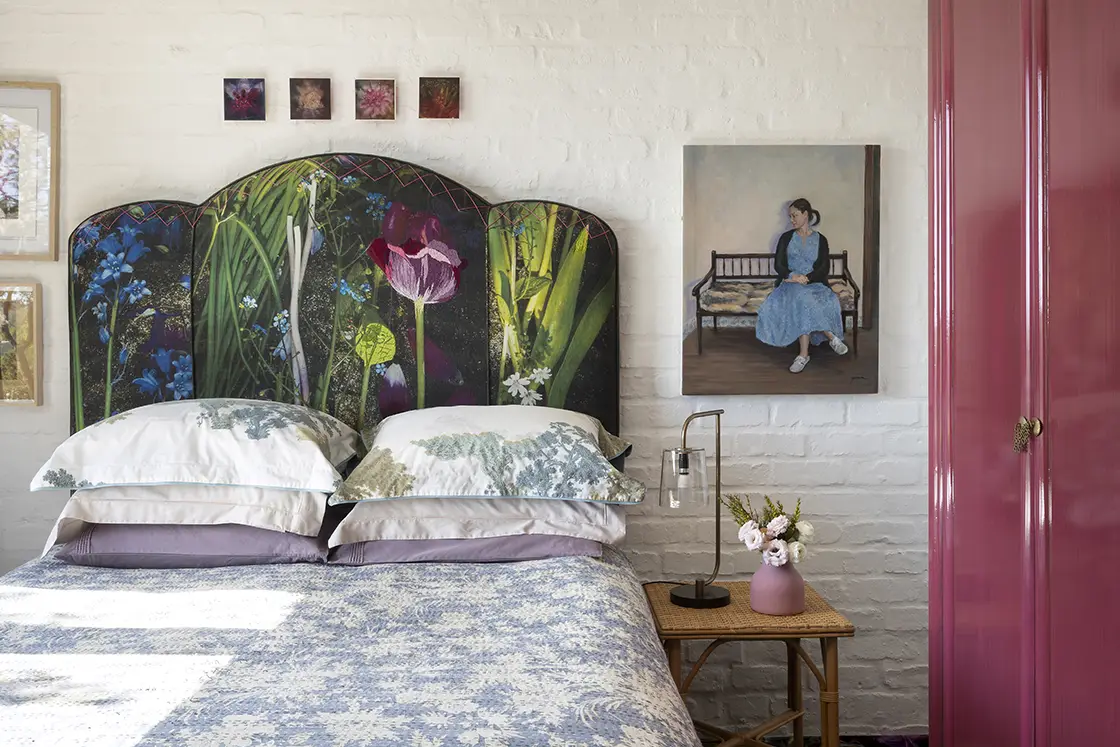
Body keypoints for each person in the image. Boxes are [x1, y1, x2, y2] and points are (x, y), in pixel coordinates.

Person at [756, 198, 848, 372]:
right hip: (789, 284)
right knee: (800, 296)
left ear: (806, 214)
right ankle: (829, 337)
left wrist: (808, 278)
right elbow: (779, 265)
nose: (792, 220)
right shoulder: (786, 238)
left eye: (795, 215)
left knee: (807, 297)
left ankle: (804, 356)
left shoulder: (821, 240)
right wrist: (793, 276)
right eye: (790, 216)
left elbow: (823, 268)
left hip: (814, 284)